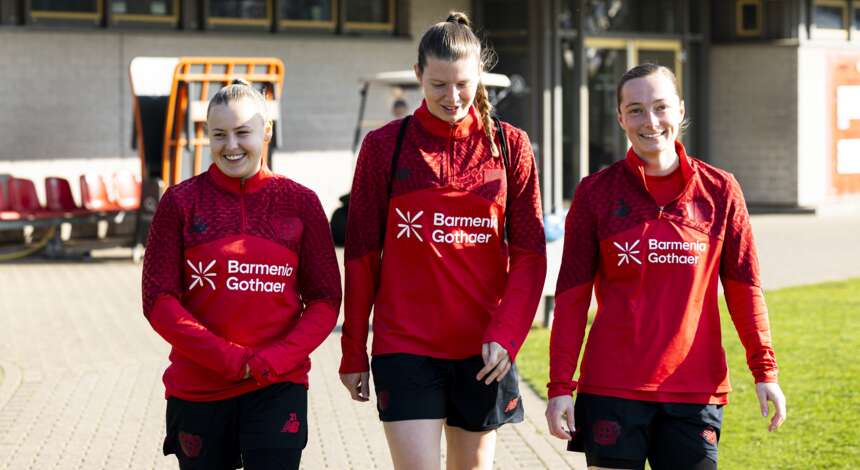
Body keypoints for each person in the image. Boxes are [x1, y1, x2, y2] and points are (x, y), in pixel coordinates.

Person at [545, 63, 787, 470]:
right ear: (620, 117)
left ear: (680, 110)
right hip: (612, 388)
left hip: (694, 393)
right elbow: (571, 298)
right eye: (635, 109)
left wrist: (765, 371)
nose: (650, 121)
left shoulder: (720, 191)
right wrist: (559, 388)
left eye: (660, 107)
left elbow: (745, 290)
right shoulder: (595, 193)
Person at [339, 12, 547, 470]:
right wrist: (353, 349)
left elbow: (531, 256)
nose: (452, 98)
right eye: (437, 85)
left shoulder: (511, 146)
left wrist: (508, 335)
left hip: (483, 352)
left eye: (463, 85)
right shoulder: (384, 147)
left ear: (480, 77)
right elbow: (360, 257)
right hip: (405, 347)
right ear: (418, 75)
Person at [142, 79, 341, 469]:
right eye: (219, 135)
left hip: (276, 385)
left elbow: (324, 299)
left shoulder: (300, 202)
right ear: (207, 137)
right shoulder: (180, 202)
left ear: (266, 131)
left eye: (242, 133)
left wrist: (274, 360)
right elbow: (158, 299)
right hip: (198, 389)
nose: (231, 146)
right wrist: (230, 359)